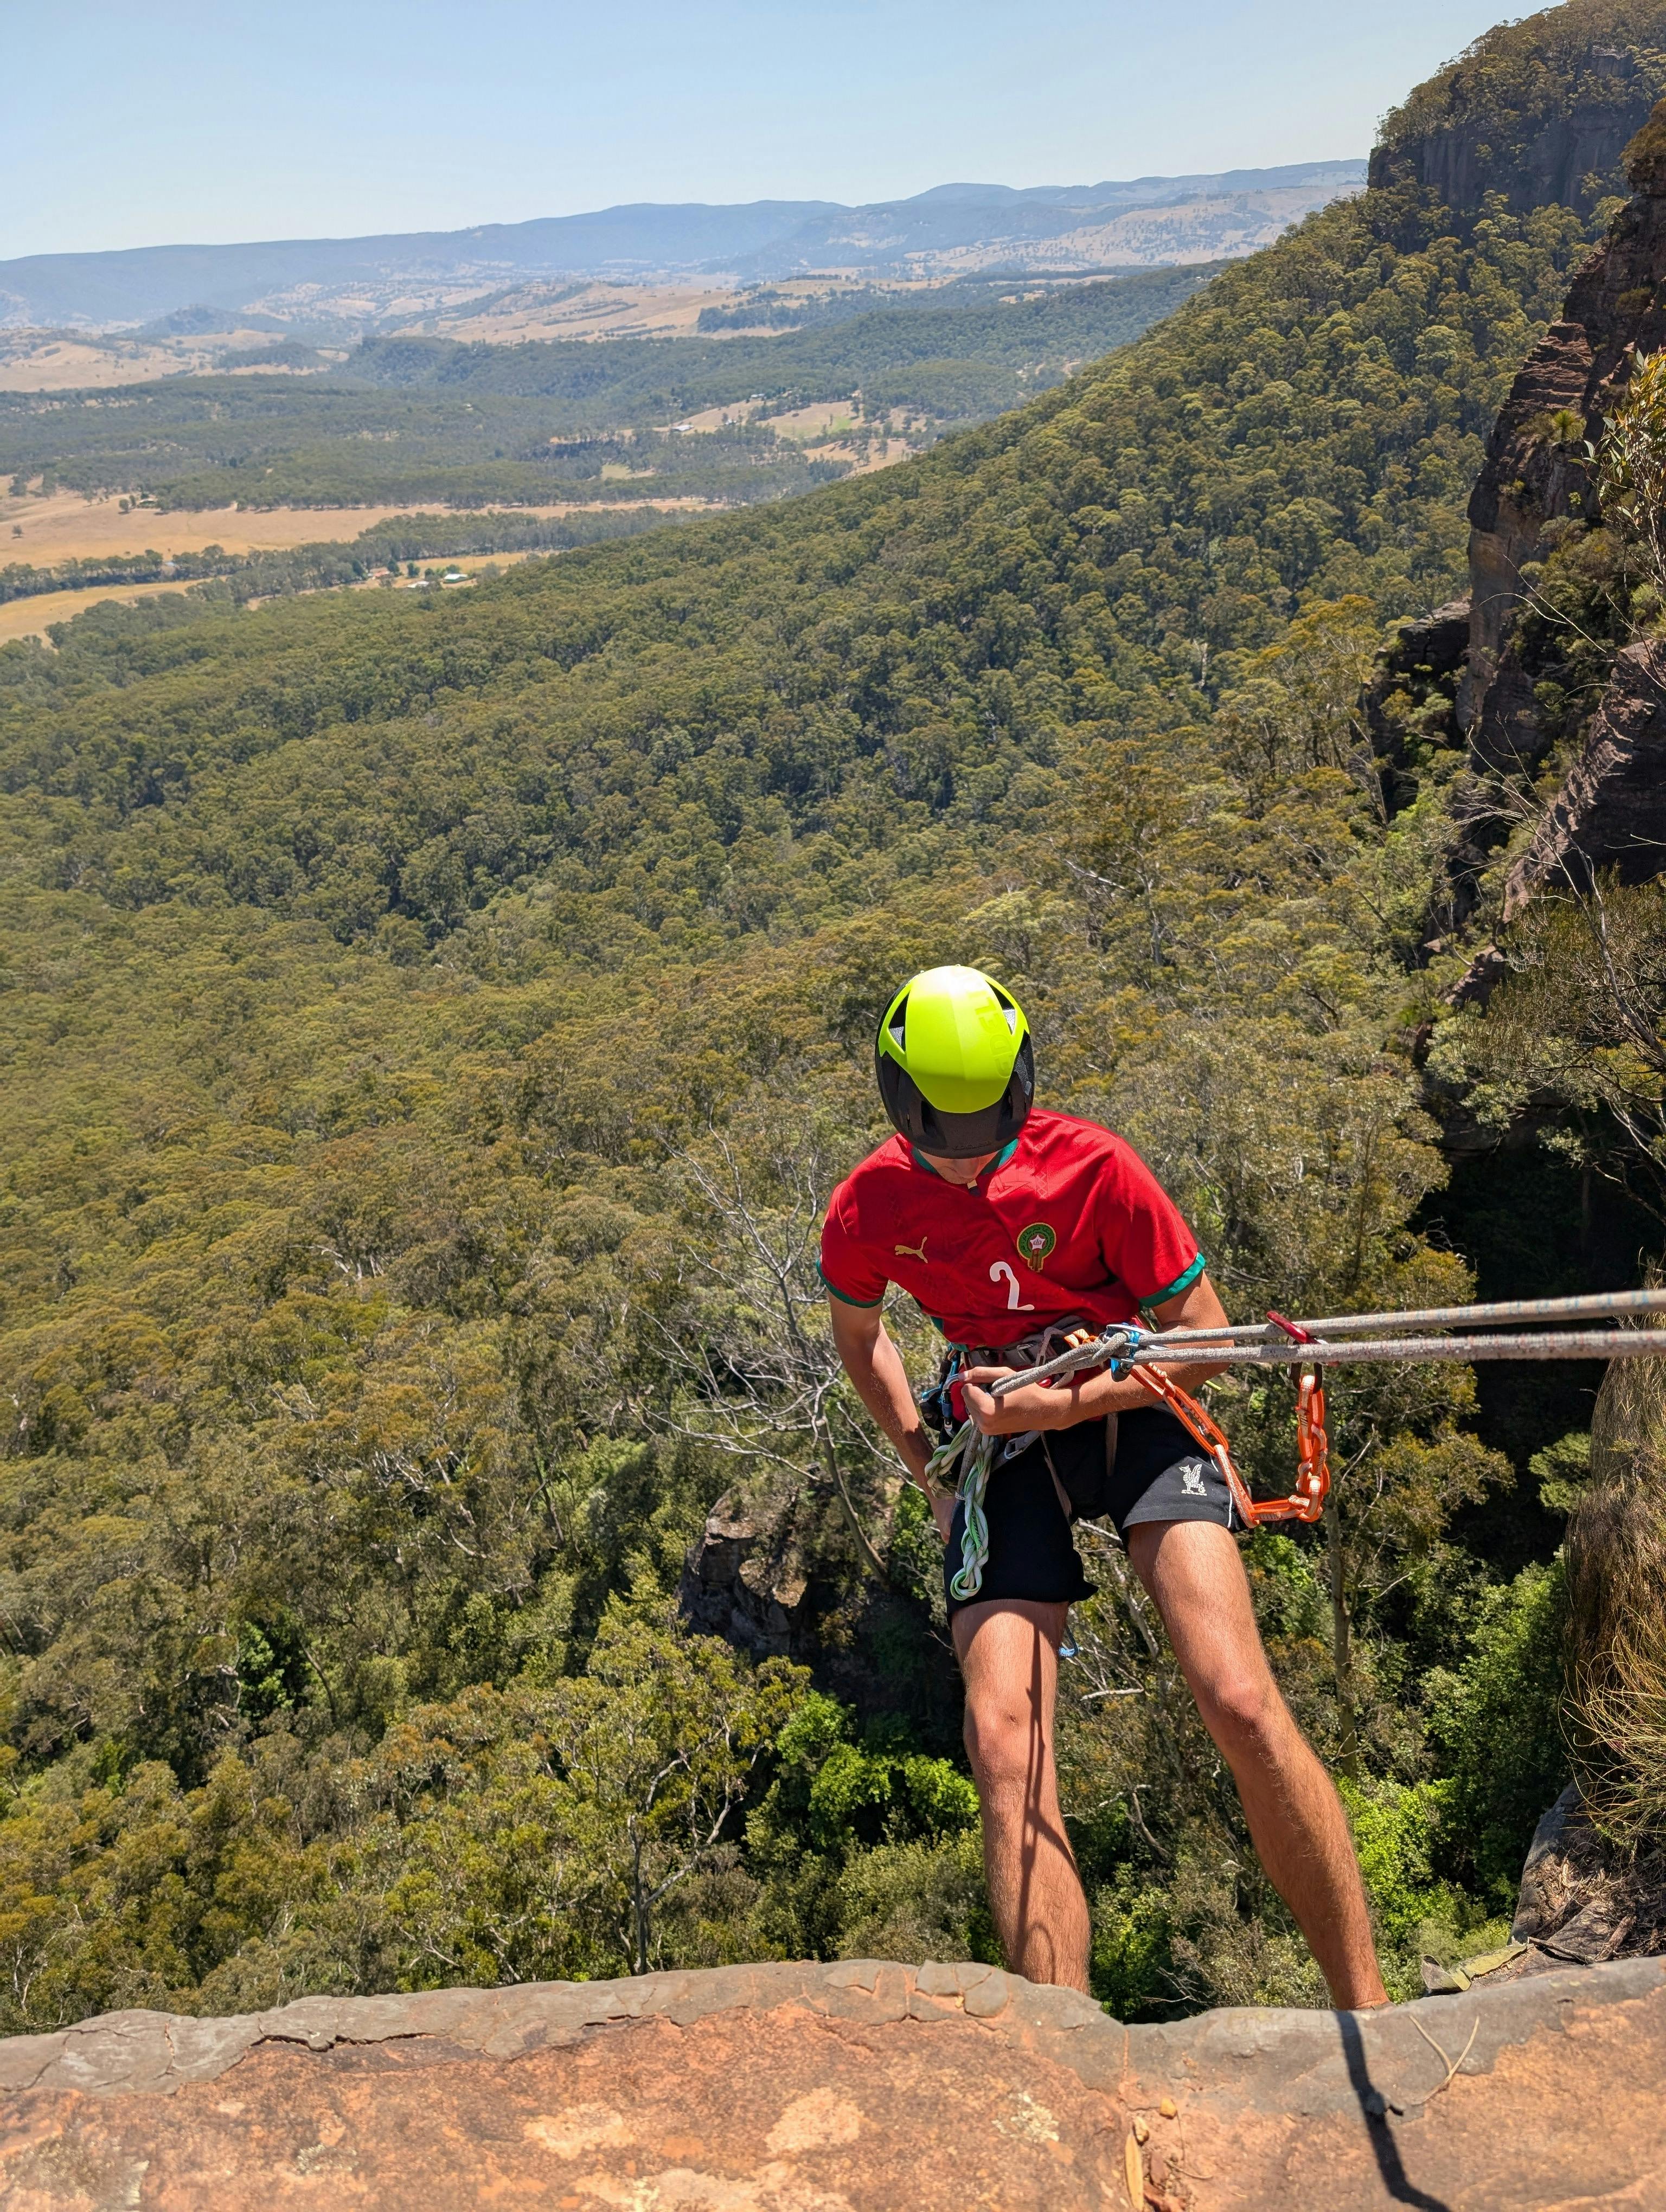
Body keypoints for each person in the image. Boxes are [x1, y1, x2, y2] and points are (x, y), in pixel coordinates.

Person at [819, 963, 1387, 2006]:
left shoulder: (1094, 1168)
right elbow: (863, 1339)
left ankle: (1368, 2010)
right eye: (943, 1136)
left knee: (1239, 1699)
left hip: (1128, 1394)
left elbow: (1206, 1338)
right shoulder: (867, 1207)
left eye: (986, 1129)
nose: (967, 1160)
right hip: (1000, 1427)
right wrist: (929, 1470)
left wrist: (1065, 1405)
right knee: (1003, 1743)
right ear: (900, 1105)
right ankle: (1063, 2053)